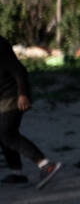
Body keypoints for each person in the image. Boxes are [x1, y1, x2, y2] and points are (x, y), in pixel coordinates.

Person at [0, 35, 61, 190]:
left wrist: (23, 94)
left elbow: (19, 70)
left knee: (7, 134)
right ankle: (17, 172)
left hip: (12, 94)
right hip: (3, 96)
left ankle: (46, 165)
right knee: (4, 134)